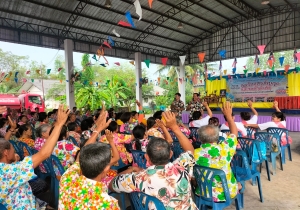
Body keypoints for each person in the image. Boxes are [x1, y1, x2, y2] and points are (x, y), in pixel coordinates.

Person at [109, 111, 197, 210]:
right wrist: (175, 128)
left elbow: (112, 185)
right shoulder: (182, 166)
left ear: (147, 157)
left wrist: (132, 169)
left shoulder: (139, 178)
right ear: (170, 154)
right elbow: (190, 150)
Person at [0, 105, 69, 209]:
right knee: (53, 197)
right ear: (5, 153)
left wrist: (11, 130)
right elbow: (44, 154)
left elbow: (3, 144)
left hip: (25, 201)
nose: (15, 153)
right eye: (12, 149)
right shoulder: (9, 172)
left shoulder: (7, 168)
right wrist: (59, 124)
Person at [59, 109, 121, 209]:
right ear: (106, 169)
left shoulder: (67, 178)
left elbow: (81, 154)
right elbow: (82, 154)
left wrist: (97, 130)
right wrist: (106, 137)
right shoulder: (107, 203)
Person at [194, 101, 240, 202]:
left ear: (200, 139)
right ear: (218, 137)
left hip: (202, 192)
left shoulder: (194, 153)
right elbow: (234, 134)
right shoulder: (225, 148)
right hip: (226, 194)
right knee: (239, 184)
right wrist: (228, 116)